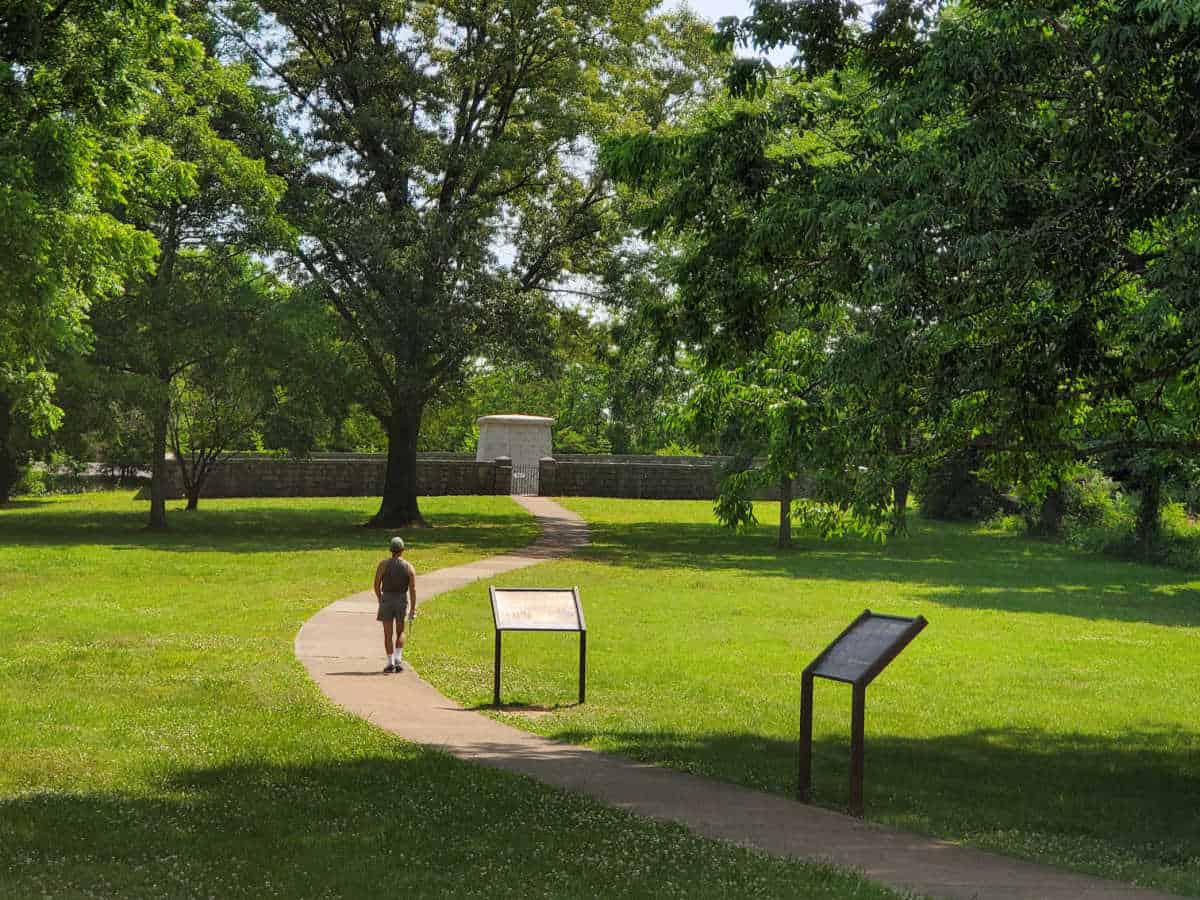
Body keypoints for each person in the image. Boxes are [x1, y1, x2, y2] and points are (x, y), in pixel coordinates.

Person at [373, 536, 417, 673]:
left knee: (388, 634)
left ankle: (390, 662)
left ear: (390, 550)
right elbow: (413, 589)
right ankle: (398, 659)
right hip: (401, 600)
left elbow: (376, 585)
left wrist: (381, 599)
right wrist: (413, 609)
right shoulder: (409, 567)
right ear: (403, 550)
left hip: (387, 598)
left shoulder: (383, 565)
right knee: (401, 631)